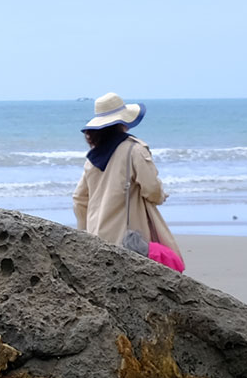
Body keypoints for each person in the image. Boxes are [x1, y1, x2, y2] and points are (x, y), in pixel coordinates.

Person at [73, 92, 182, 266]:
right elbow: (151, 188)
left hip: (97, 238)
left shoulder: (92, 158)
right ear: (123, 121)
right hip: (130, 240)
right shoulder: (134, 150)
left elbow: (79, 198)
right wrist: (160, 196)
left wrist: (86, 229)